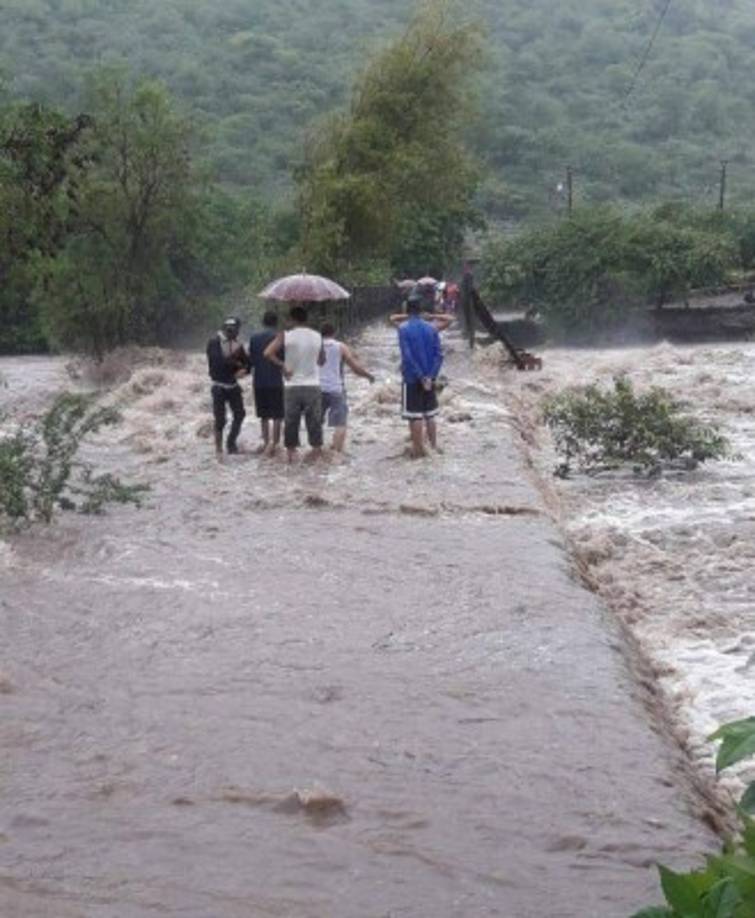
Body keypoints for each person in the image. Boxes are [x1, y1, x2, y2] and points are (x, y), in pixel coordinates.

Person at [264, 305, 324, 463]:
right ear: (306, 319)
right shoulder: (318, 335)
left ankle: (291, 456)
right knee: (314, 421)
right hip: (313, 384)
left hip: (292, 385)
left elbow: (268, 353)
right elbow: (322, 360)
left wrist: (282, 365)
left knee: (291, 420)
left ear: (291, 319)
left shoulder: (285, 335)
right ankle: (317, 454)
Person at [398, 293, 444, 458]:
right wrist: (430, 377)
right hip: (429, 378)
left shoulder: (403, 328)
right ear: (420, 310)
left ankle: (419, 452)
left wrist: (420, 377)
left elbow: (407, 356)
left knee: (415, 415)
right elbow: (439, 355)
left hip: (411, 378)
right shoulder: (432, 328)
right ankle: (433, 447)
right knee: (430, 414)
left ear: (407, 310)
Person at [320, 322, 376, 453]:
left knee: (316, 423)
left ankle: (317, 452)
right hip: (336, 389)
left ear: (320, 333)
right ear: (335, 332)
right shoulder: (340, 346)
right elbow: (355, 368)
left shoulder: (315, 346)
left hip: (317, 389)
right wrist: (368, 376)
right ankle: (337, 454)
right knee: (340, 424)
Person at [206, 316, 249, 458]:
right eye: (229, 329)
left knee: (240, 414)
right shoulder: (214, 342)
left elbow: (248, 363)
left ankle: (231, 443)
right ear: (224, 329)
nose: (232, 332)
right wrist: (238, 365)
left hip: (232, 385)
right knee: (220, 419)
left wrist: (244, 369)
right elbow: (218, 363)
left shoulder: (237, 344)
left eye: (234, 330)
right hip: (219, 386)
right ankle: (218, 449)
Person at [249, 310, 284, 455]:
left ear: (263, 322)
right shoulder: (278, 337)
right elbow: (283, 359)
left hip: (259, 381)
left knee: (263, 416)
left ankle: (265, 443)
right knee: (277, 415)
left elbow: (251, 360)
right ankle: (275, 445)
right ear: (276, 323)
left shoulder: (254, 338)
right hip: (275, 380)